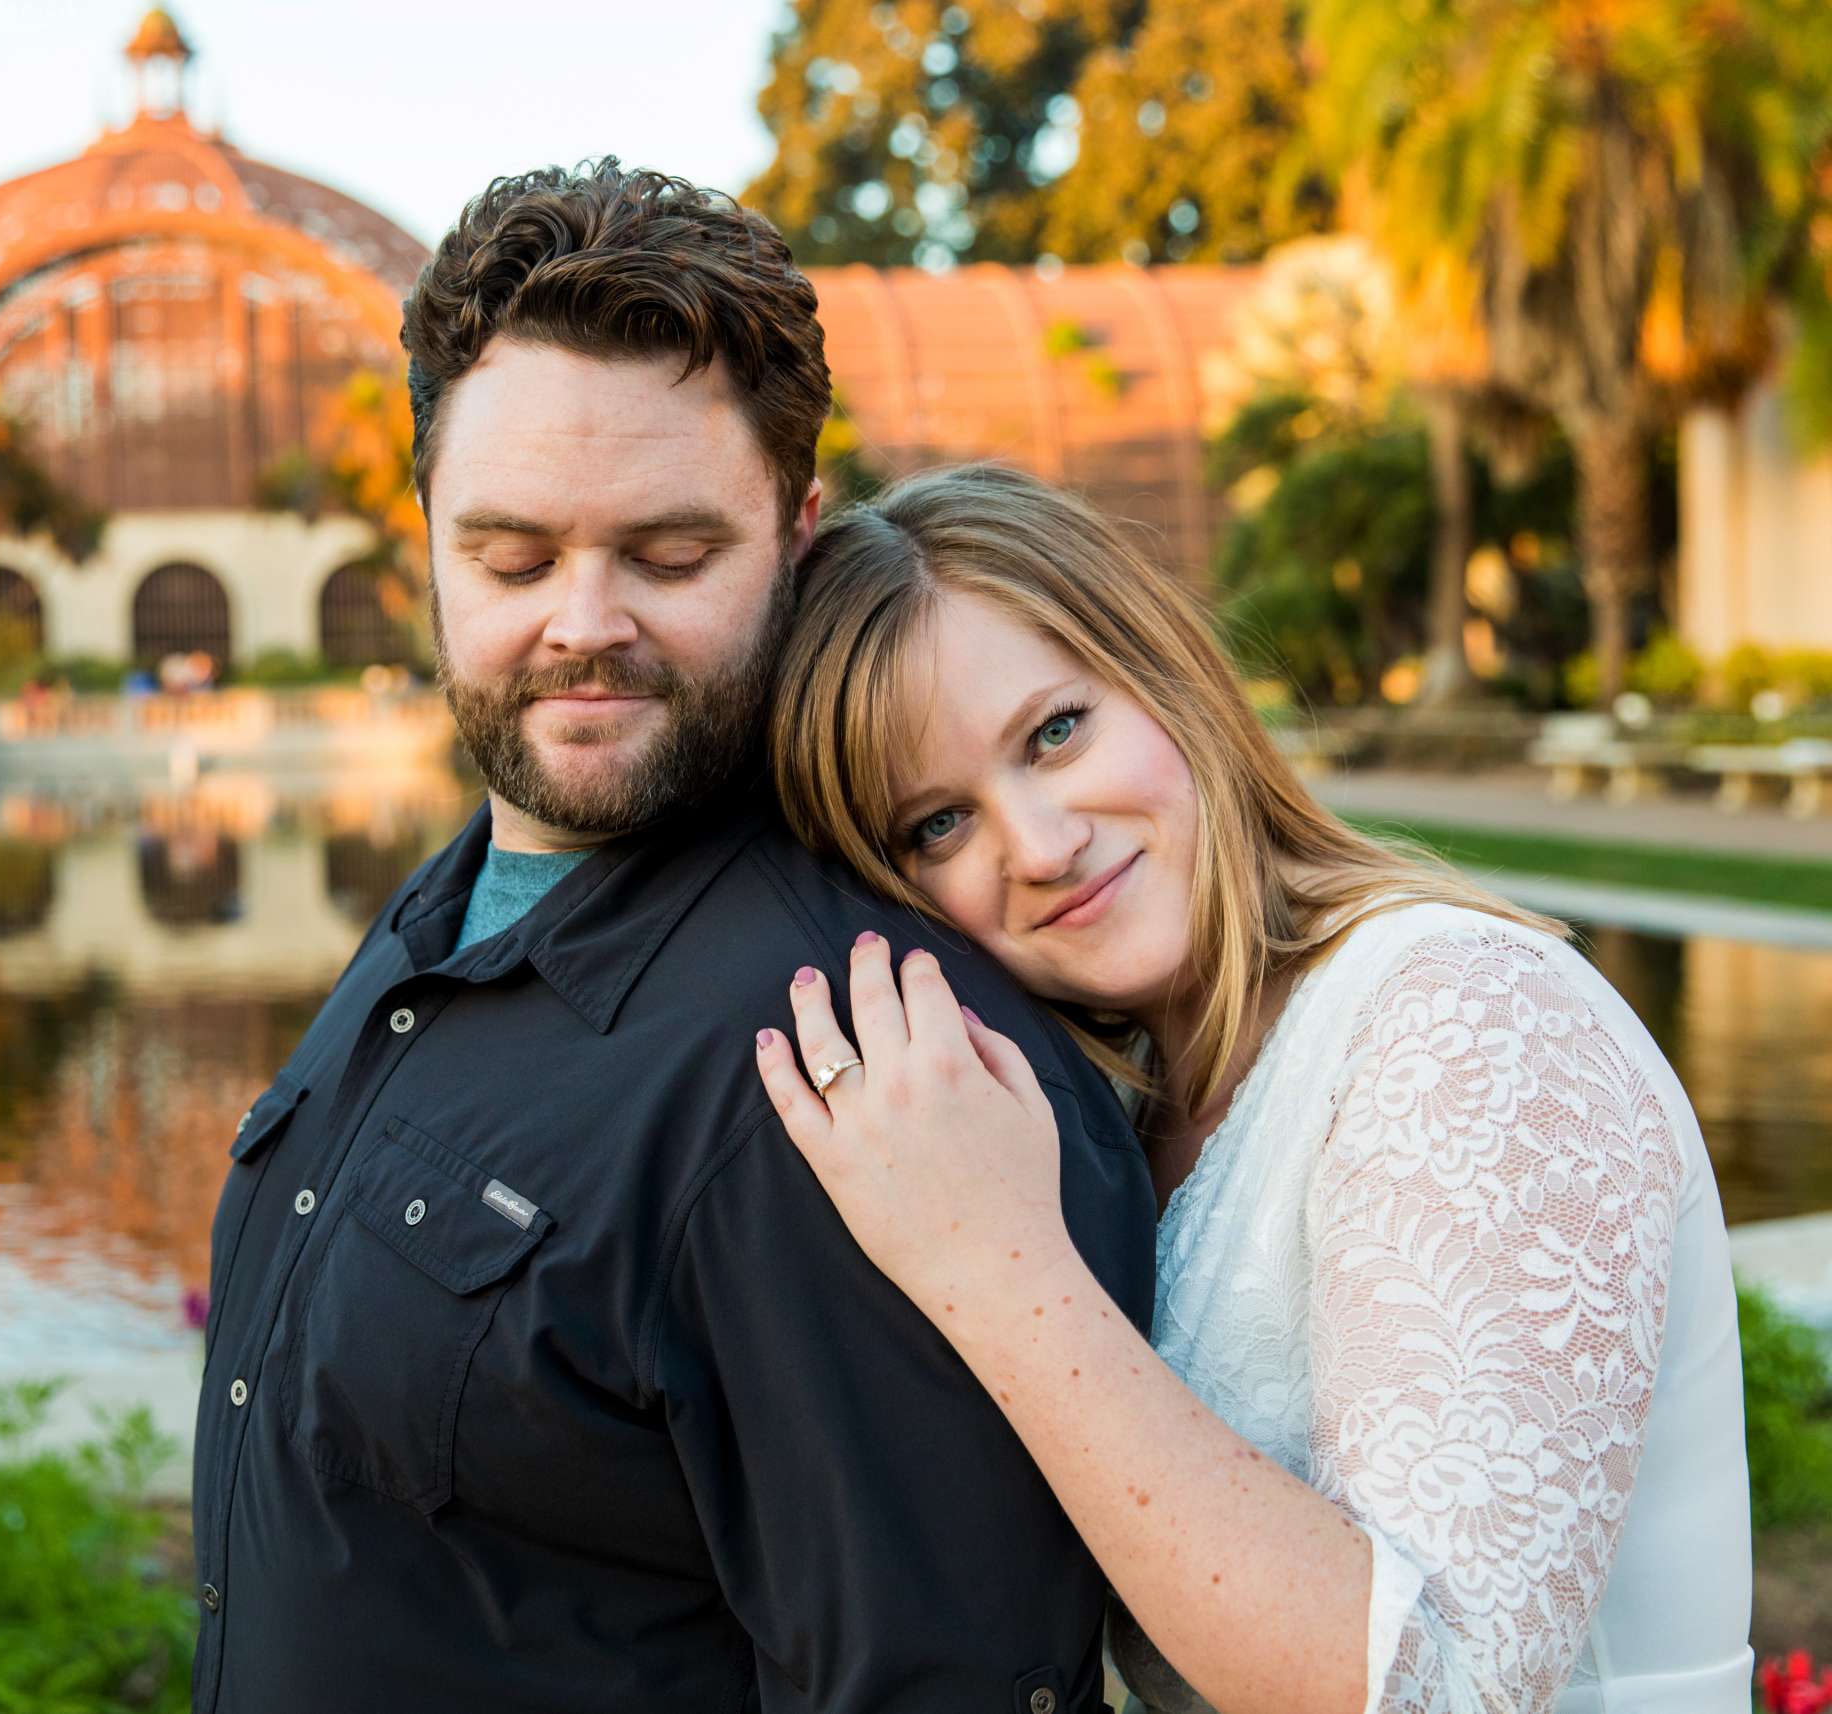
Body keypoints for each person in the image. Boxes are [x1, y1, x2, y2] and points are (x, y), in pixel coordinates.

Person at [189, 166, 1156, 1713]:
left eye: (670, 554)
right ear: (426, 536)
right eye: (510, 559)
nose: (582, 622)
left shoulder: (856, 1069)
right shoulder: (445, 917)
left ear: (797, 531)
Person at [752, 463, 1753, 1714]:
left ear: (1167, 673)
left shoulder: (1468, 1020)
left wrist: (994, 1269)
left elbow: (1437, 1696)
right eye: (937, 826)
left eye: (1056, 731)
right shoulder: (1121, 1106)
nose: (1042, 845)